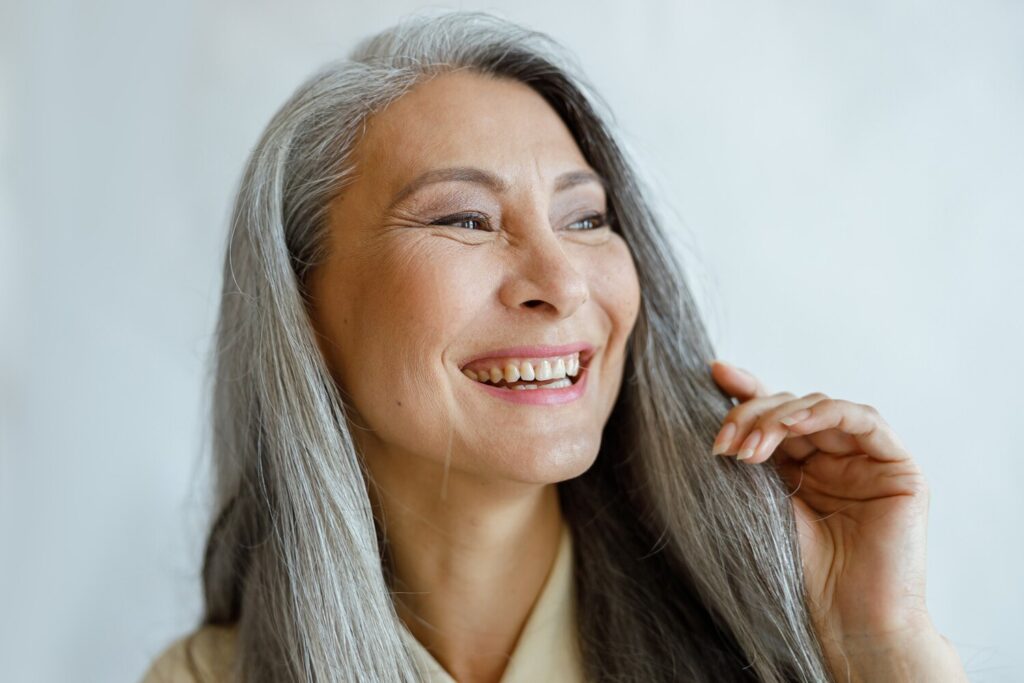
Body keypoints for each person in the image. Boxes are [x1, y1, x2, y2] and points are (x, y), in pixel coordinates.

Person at [141, 10, 968, 683]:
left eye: (585, 220)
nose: (563, 282)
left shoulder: (789, 639)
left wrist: (880, 645)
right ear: (303, 311)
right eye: (465, 218)